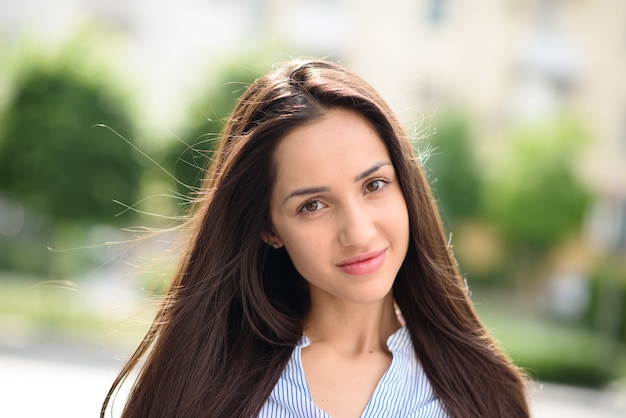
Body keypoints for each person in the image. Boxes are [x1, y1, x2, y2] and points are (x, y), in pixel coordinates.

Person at [101, 59, 530, 417]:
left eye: (374, 185)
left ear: (406, 188)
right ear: (269, 227)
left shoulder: (482, 392)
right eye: (312, 205)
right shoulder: (204, 389)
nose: (358, 232)